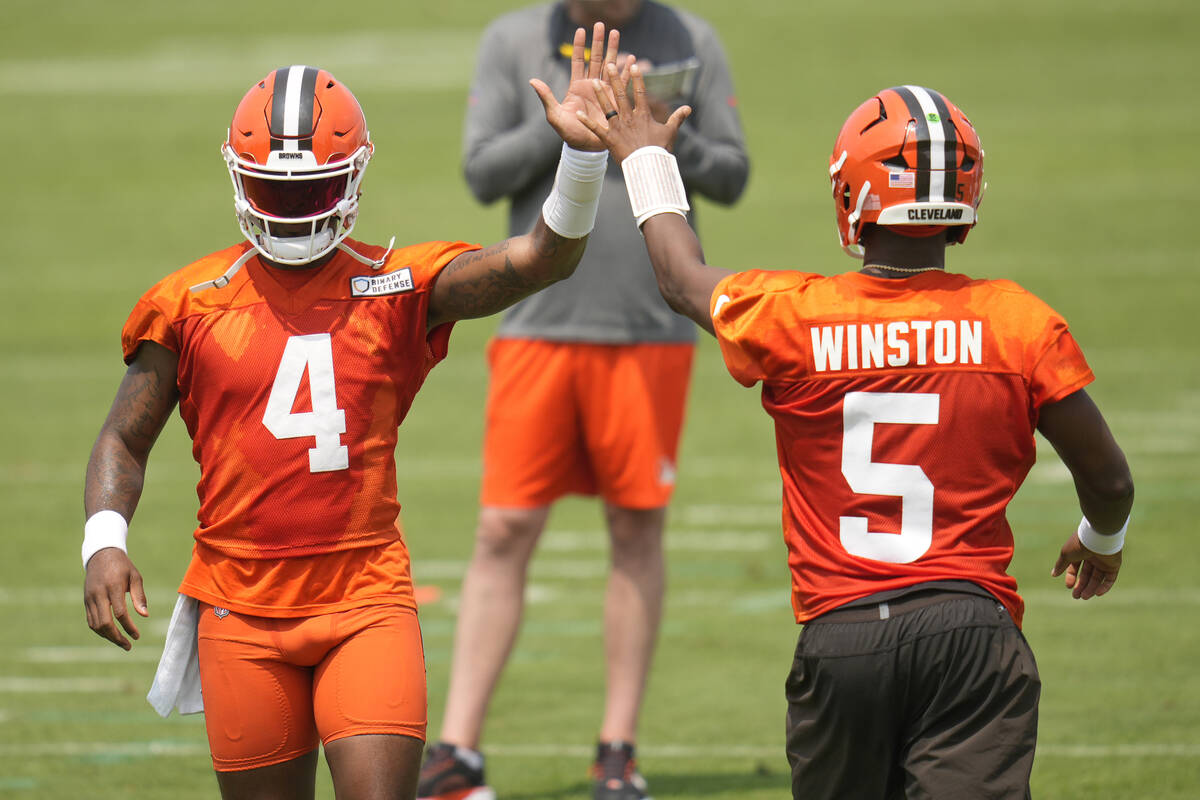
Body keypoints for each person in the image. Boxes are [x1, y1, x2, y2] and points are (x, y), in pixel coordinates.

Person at [80, 25, 628, 800]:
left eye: (314, 191)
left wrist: (580, 157)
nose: (299, 210)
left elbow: (545, 257)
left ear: (353, 178)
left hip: (364, 597)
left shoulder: (399, 284)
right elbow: (124, 438)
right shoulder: (189, 305)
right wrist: (103, 541)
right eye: (280, 191)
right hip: (241, 608)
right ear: (242, 182)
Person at [579, 68, 1135, 798]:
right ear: (965, 197)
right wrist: (1101, 540)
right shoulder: (1018, 322)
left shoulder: (799, 316)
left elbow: (681, 277)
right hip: (971, 629)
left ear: (852, 197)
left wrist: (643, 156)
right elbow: (1112, 482)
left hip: (843, 635)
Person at [417, 3, 748, 800]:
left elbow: (731, 176)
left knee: (636, 528)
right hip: (536, 323)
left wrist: (655, 126)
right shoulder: (510, 39)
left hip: (650, 329)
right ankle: (457, 752)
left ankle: (618, 752)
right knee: (503, 528)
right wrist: (570, 121)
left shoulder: (691, 39)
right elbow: (482, 171)